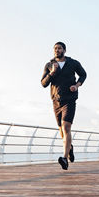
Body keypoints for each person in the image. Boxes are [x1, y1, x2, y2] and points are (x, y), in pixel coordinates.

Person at [41, 41, 87, 170]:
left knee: (66, 127)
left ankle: (64, 158)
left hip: (69, 99)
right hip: (56, 101)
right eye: (55, 48)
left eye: (59, 48)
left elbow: (83, 75)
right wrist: (52, 72)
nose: (57, 50)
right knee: (61, 130)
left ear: (64, 50)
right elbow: (43, 83)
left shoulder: (73, 63)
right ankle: (70, 146)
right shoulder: (49, 65)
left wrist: (76, 86)